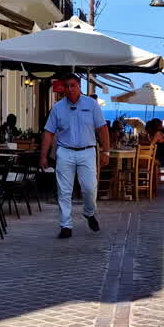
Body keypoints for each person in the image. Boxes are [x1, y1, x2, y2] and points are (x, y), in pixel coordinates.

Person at [39, 75, 110, 239]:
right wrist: (43, 156)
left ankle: (89, 213)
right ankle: (65, 225)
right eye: (66, 86)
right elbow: (48, 132)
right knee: (64, 191)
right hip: (65, 152)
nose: (69, 89)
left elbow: (102, 129)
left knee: (90, 188)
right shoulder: (57, 107)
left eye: (72, 86)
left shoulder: (91, 105)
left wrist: (106, 151)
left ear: (79, 86)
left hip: (87, 151)